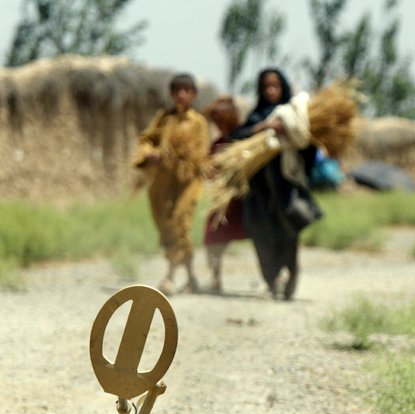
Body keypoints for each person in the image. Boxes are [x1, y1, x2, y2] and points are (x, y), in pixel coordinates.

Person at [232, 68, 322, 300]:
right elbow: (237, 137)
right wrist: (262, 128)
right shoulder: (257, 116)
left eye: (276, 86)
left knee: (288, 232)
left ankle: (291, 272)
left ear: (283, 88)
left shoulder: (294, 116)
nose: (271, 91)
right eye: (266, 87)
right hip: (258, 191)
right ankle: (271, 280)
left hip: (285, 188)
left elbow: (309, 145)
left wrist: (288, 134)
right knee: (260, 233)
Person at [133, 73, 210, 295]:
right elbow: (147, 139)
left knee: (180, 222)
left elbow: (200, 153)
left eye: (186, 90)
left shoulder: (198, 122)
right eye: (177, 90)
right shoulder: (164, 118)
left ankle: (170, 276)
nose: (182, 95)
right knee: (166, 225)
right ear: (172, 94)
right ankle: (192, 278)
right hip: (163, 183)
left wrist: (179, 156)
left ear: (193, 94)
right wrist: (151, 154)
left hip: (187, 182)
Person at [202, 95, 247, 294]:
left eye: (223, 120)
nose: (220, 125)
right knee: (213, 237)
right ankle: (215, 279)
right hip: (224, 202)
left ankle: (274, 278)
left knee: (263, 237)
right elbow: (210, 170)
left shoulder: (246, 140)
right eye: (217, 122)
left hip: (245, 200)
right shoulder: (217, 144)